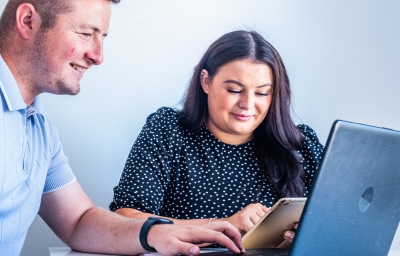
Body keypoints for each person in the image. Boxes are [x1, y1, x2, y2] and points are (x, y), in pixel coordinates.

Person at [0, 0, 246, 255]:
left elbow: (79, 221)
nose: (97, 56)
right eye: (85, 33)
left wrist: (154, 233)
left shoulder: (37, 127)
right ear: (28, 21)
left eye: (102, 38)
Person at [110, 30, 324, 244]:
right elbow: (126, 219)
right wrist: (224, 226)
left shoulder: (300, 144)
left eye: (261, 93)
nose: (247, 104)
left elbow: (344, 218)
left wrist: (312, 233)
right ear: (206, 81)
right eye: (234, 90)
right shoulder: (168, 131)